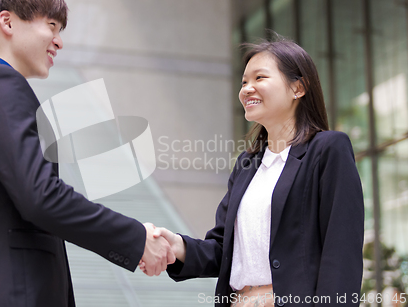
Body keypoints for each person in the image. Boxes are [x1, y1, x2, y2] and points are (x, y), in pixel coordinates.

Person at [0, 0, 173, 306]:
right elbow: (41, 196)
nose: (59, 41)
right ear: (8, 21)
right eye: (52, 25)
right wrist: (135, 238)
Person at [141, 35, 365, 307]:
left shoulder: (328, 149)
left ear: (298, 88)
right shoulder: (247, 165)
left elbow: (341, 252)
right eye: (244, 81)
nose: (247, 89)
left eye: (260, 78)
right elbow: (225, 250)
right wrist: (178, 246)